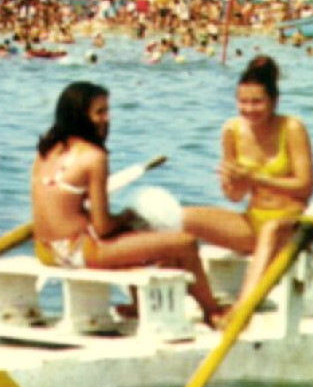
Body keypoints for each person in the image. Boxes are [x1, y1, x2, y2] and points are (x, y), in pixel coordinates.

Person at [30, 81, 225, 327]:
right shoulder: (94, 157)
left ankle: (138, 305)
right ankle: (213, 312)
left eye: (107, 111)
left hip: (45, 250)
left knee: (140, 237)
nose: (107, 119)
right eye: (100, 112)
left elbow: (62, 207)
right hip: (77, 251)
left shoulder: (46, 151)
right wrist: (127, 216)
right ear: (80, 115)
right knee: (184, 243)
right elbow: (103, 228)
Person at [182, 56, 313, 313]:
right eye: (243, 102)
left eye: (257, 102)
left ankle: (242, 308)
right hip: (252, 220)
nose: (249, 109)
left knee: (272, 230)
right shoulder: (231, 130)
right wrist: (233, 183)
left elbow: (305, 186)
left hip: (291, 224)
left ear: (274, 101)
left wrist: (254, 178)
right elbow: (234, 197)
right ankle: (204, 303)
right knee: (180, 218)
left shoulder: (292, 128)